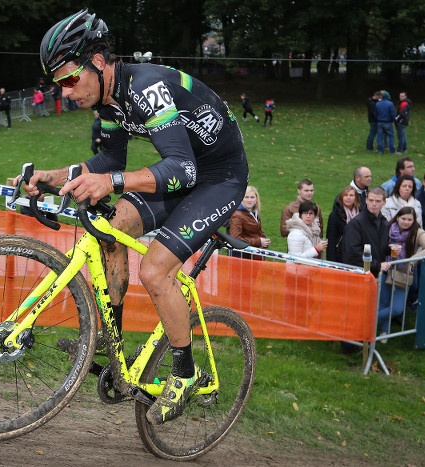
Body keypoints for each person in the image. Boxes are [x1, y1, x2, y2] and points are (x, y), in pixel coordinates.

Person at [27, 9, 248, 426]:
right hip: (187, 171)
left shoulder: (146, 87)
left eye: (69, 79)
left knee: (154, 270)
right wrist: (53, 177)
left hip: (220, 177)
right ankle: (112, 346)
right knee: (108, 228)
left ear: (97, 61)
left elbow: (182, 169)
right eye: (57, 84)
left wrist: (111, 180)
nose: (66, 92)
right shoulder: (109, 101)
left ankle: (185, 372)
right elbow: (108, 159)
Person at [377, 206, 425, 340]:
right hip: (386, 269)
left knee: (397, 308)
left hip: (404, 273)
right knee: (384, 304)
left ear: (414, 220)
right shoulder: (388, 227)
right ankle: (384, 332)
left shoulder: (417, 232)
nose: (406, 222)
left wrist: (412, 261)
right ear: (397, 217)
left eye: (410, 219)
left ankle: (369, 321)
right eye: (403, 218)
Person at [343, 187, 390, 278]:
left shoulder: (384, 222)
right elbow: (353, 253)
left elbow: (380, 247)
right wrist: (377, 265)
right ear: (366, 200)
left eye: (378, 201)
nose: (374, 204)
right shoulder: (355, 224)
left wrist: (390, 249)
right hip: (359, 275)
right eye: (371, 200)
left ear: (384, 202)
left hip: (376, 276)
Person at [229, 186, 270, 259]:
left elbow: (257, 230)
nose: (249, 200)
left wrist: (264, 239)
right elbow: (236, 239)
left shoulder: (254, 212)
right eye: (246, 197)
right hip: (241, 256)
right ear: (242, 198)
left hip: (253, 254)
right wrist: (259, 241)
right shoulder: (237, 215)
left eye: (252, 197)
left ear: (256, 199)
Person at [326, 186, 360, 263]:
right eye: (346, 195)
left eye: (351, 195)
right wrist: (331, 261)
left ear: (356, 198)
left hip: (356, 254)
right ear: (342, 198)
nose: (348, 198)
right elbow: (331, 239)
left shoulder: (361, 213)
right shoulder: (335, 215)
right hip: (340, 254)